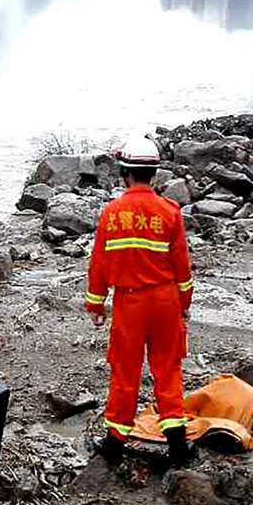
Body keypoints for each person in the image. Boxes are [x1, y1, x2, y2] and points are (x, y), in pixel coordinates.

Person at [84, 137, 196, 467]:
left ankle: (115, 444)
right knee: (168, 369)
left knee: (125, 372)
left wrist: (96, 304)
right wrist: (184, 303)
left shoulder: (112, 213)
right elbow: (182, 267)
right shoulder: (170, 211)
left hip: (129, 304)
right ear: (155, 174)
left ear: (125, 174)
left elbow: (99, 263)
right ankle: (177, 446)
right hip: (165, 301)